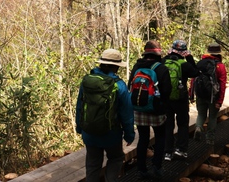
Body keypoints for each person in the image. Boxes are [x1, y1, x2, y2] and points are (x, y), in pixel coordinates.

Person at [76, 48, 135, 182]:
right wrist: (129, 134)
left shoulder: (87, 81)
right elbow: (126, 113)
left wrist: (79, 127)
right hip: (111, 133)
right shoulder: (119, 85)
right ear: (116, 67)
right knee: (115, 158)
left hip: (89, 132)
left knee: (92, 163)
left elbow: (79, 106)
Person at [128, 40, 171, 180]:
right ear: (158, 54)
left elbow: (130, 86)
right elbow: (166, 91)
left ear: (145, 53)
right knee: (160, 137)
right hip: (157, 111)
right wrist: (163, 106)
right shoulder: (161, 68)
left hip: (139, 109)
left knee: (143, 138)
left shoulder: (136, 67)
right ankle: (157, 167)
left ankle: (141, 169)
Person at [162, 39, 198, 161]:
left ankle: (167, 152)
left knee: (168, 125)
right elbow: (196, 73)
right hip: (181, 98)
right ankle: (181, 150)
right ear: (183, 52)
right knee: (182, 124)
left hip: (166, 99)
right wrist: (190, 58)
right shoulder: (184, 64)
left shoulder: (163, 62)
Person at [190, 42, 228, 146]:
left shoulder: (201, 63)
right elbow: (222, 84)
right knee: (212, 117)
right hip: (213, 96)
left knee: (201, 114)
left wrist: (191, 94)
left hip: (200, 94)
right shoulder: (220, 66)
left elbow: (193, 79)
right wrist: (220, 101)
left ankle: (198, 127)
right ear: (219, 53)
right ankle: (210, 139)